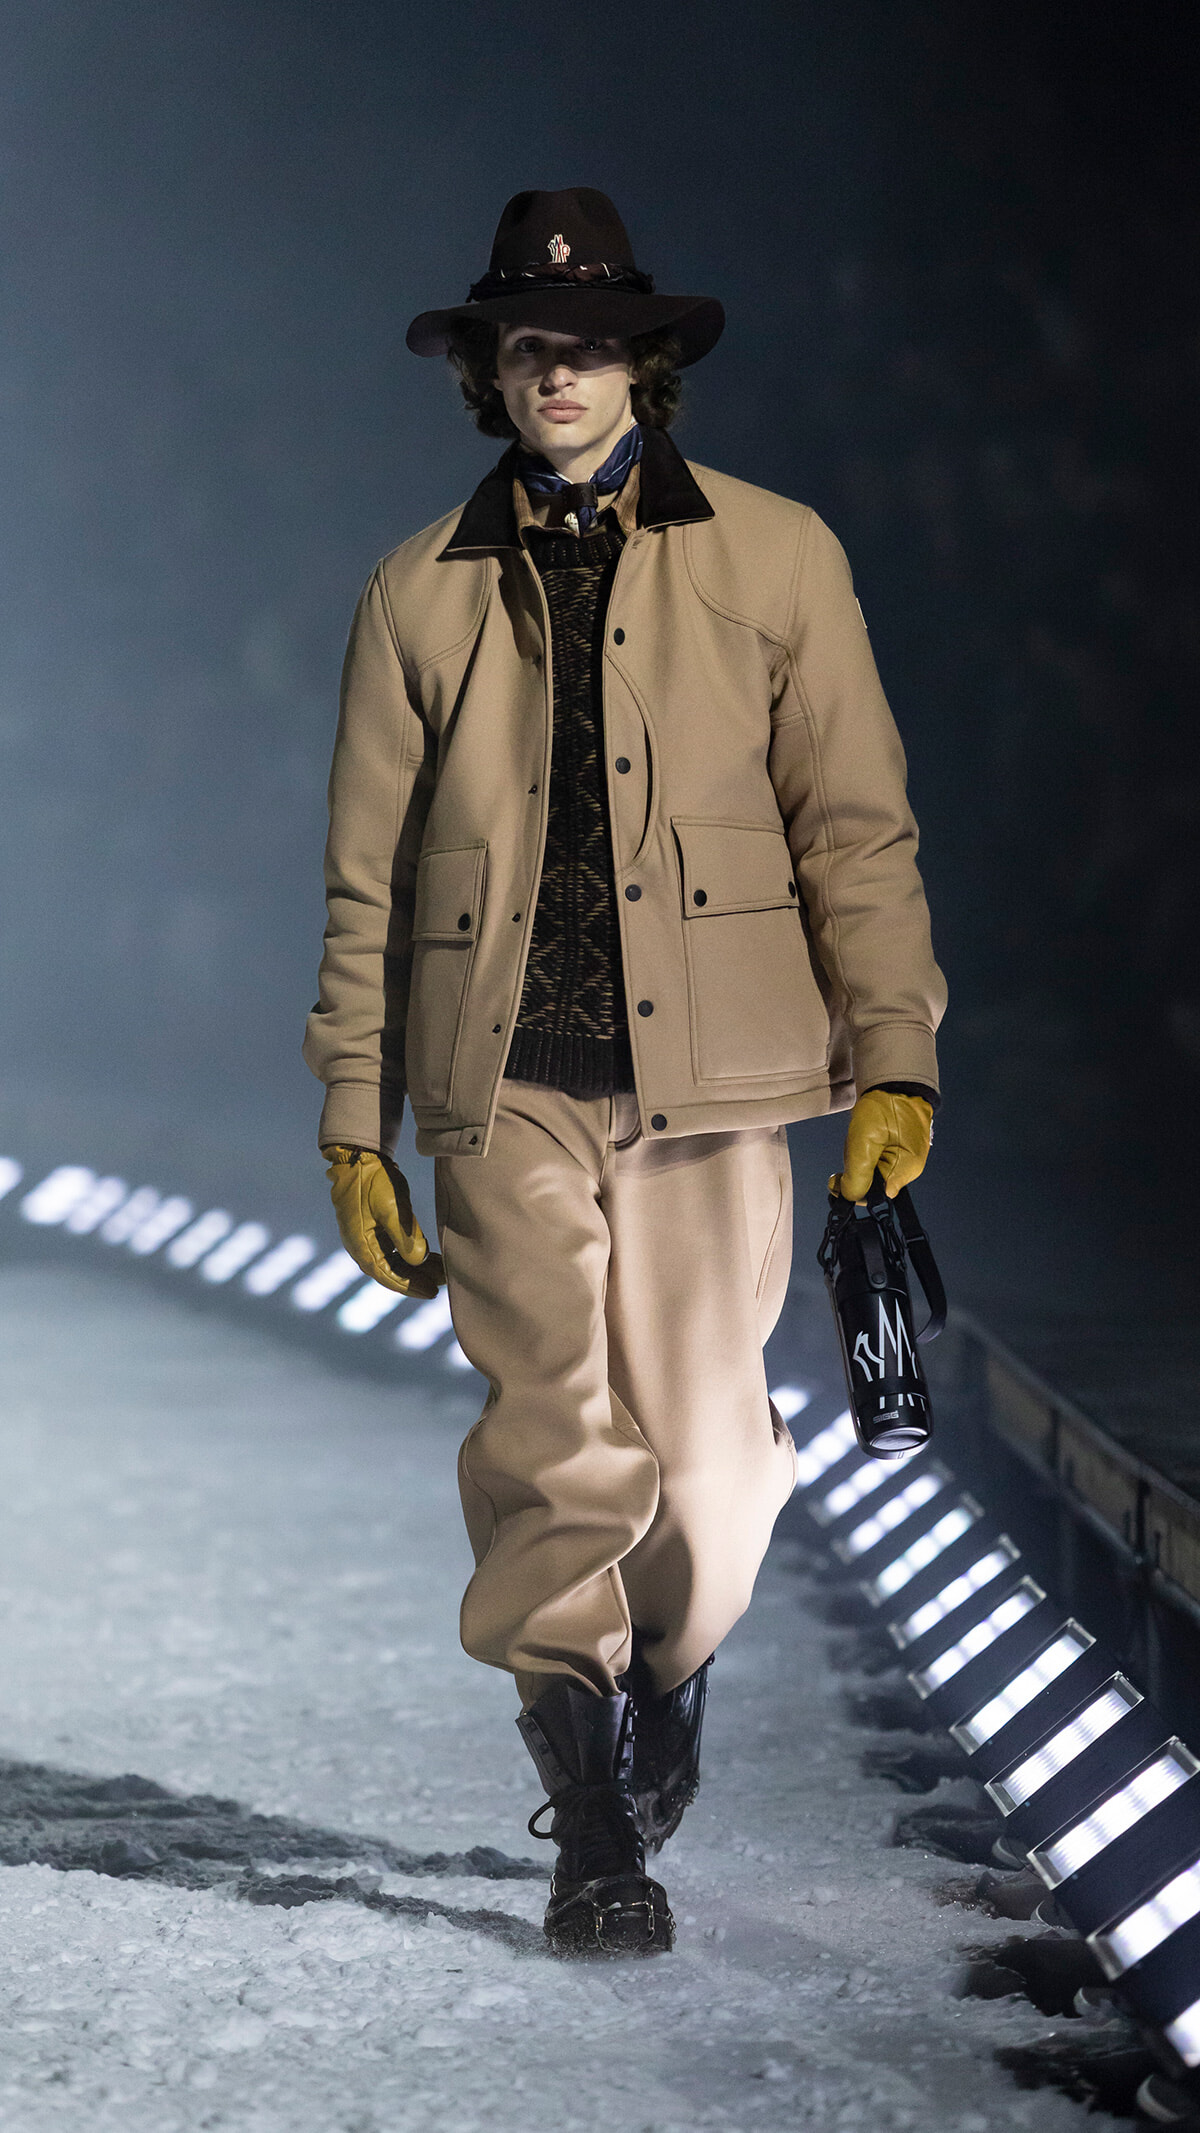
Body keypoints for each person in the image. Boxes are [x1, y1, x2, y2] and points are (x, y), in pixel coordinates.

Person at [304, 187, 945, 1958]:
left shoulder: (778, 557)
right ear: (489, 375)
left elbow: (857, 827)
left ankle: (671, 1670)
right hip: (497, 1070)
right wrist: (354, 1111)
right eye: (526, 348)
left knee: (720, 1463)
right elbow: (363, 874)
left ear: (643, 365)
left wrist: (894, 1053)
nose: (556, 375)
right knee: (554, 1445)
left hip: (718, 1085)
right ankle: (588, 1815)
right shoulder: (416, 591)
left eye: (585, 345)